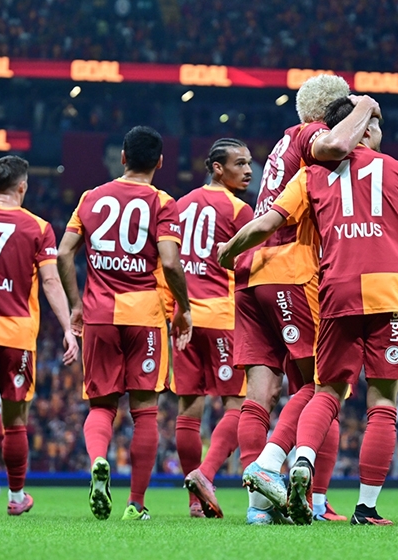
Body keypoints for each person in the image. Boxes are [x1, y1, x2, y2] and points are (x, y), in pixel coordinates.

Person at [218, 96, 398, 525]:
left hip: (334, 288)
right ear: (366, 128)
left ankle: (293, 465)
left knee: (323, 389)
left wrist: (229, 251)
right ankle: (365, 507)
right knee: (382, 401)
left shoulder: (311, 175)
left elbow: (266, 223)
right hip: (389, 291)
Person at [57, 126, 192, 522]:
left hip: (99, 314)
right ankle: (136, 504)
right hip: (144, 316)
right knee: (145, 411)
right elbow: (170, 262)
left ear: (122, 157)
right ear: (160, 162)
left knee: (101, 406)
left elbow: (63, 254)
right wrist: (183, 307)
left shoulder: (91, 197)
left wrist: (75, 304)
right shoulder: (162, 202)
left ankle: (98, 460)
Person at [0, 155, 79, 517]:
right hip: (17, 335)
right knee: (15, 419)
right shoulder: (38, 227)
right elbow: (50, 281)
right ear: (23, 186)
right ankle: (17, 496)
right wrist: (68, 329)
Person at [168, 138, 254, 518]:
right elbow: (249, 267)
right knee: (237, 404)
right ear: (218, 168)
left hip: (184, 318)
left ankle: (194, 504)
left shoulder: (179, 205)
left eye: (249, 163)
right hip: (222, 317)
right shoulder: (239, 210)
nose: (248, 171)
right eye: (240, 164)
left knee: (189, 408)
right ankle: (205, 474)